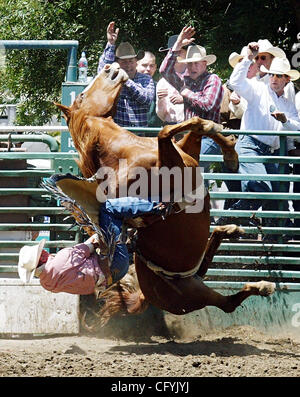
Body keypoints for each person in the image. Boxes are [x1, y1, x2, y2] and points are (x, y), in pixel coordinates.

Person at [218, 43, 300, 238]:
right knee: (261, 186)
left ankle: (273, 240)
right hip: (250, 145)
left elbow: (297, 131)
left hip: (269, 152)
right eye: (272, 74)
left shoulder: (288, 105)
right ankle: (232, 217)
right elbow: (236, 82)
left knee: (276, 196)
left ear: (287, 79)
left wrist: (285, 122)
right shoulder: (257, 89)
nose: (274, 78)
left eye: (279, 75)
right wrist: (248, 58)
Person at [18, 196, 167, 295]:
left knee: (113, 235)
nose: (44, 251)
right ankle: (157, 206)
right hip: (114, 264)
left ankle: (133, 238)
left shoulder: (47, 284)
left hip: (110, 277)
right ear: (42, 256)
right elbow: (90, 244)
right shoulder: (61, 260)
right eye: (41, 252)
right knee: (107, 210)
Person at [97, 21, 155, 127]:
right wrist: (111, 43)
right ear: (117, 63)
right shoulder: (112, 80)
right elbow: (102, 70)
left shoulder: (146, 79)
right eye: (124, 62)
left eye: (131, 61)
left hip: (139, 134)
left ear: (136, 62)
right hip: (118, 133)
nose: (128, 65)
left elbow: (146, 100)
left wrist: (127, 81)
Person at [156, 35, 186, 126]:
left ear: (187, 53)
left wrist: (185, 99)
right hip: (170, 126)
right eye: (174, 52)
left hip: (189, 125)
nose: (177, 55)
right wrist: (161, 100)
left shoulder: (195, 76)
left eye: (179, 51)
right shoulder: (162, 82)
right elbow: (161, 115)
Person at [136, 50, 162, 128]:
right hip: (133, 133)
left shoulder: (160, 87)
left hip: (153, 134)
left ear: (155, 67)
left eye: (151, 66)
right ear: (136, 65)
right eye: (144, 65)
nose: (148, 69)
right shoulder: (128, 86)